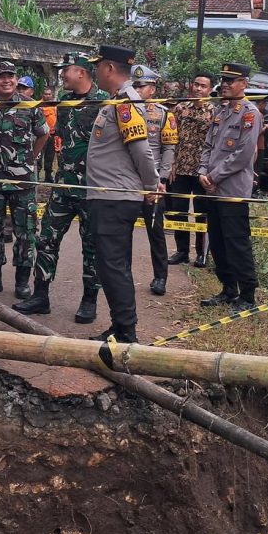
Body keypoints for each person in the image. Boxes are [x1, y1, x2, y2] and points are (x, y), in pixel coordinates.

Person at [14, 54, 107, 322]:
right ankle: (41, 296)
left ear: (81, 72)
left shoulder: (104, 102)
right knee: (46, 240)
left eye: (65, 70)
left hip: (92, 190)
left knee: (91, 247)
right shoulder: (63, 104)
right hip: (63, 187)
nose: (62, 75)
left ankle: (89, 300)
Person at [85, 45, 159, 343]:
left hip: (115, 197)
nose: (95, 71)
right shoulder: (117, 102)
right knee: (113, 265)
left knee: (113, 266)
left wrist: (152, 186)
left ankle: (127, 333)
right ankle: (120, 326)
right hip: (109, 196)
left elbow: (142, 151)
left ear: (110, 68)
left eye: (98, 65)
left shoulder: (126, 104)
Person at [198, 62, 263, 314]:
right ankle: (228, 288)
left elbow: (243, 154)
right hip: (211, 188)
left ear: (244, 84)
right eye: (223, 79)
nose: (224, 84)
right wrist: (203, 172)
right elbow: (207, 146)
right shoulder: (220, 112)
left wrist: (214, 176)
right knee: (217, 242)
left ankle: (247, 294)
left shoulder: (249, 114)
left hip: (232, 190)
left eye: (231, 80)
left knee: (237, 243)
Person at [0, 61, 49, 299]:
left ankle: (22, 281)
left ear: (16, 79)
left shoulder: (29, 106)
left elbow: (44, 133)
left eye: (10, 76)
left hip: (23, 180)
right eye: (1, 77)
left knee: (26, 230)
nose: (6, 80)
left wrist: (32, 157)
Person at [131, 65, 176, 296]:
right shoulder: (124, 109)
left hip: (154, 181)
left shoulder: (164, 113)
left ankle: (160, 277)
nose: (138, 90)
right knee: (122, 230)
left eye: (142, 86)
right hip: (128, 179)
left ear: (153, 88)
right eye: (135, 85)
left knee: (155, 232)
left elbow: (169, 148)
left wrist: (164, 178)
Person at [167, 72, 215, 266]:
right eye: (196, 84)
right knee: (179, 211)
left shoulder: (214, 112)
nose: (198, 89)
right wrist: (170, 163)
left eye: (203, 86)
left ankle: (201, 253)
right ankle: (181, 251)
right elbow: (170, 137)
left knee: (202, 212)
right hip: (181, 168)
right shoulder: (180, 109)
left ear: (210, 90)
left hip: (203, 171)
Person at [39, 85, 59, 183]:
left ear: (52, 95)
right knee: (38, 156)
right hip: (41, 136)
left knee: (50, 157)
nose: (47, 96)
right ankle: (37, 176)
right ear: (42, 95)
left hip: (52, 135)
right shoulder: (38, 105)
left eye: (49, 94)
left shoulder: (55, 106)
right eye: (45, 94)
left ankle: (48, 176)